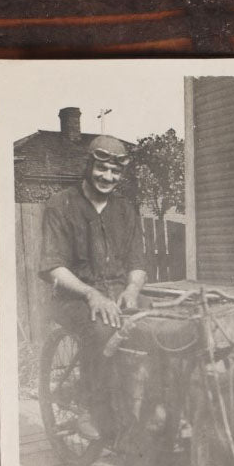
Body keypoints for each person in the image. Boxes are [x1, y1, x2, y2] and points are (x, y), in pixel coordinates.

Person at [39, 134, 148, 441]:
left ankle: (149, 410)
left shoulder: (127, 210)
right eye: (102, 168)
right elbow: (53, 267)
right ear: (88, 166)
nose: (108, 177)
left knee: (159, 326)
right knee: (101, 331)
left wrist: (132, 290)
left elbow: (137, 263)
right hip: (73, 296)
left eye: (115, 172)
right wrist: (91, 294)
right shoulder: (60, 204)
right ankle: (88, 408)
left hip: (118, 294)